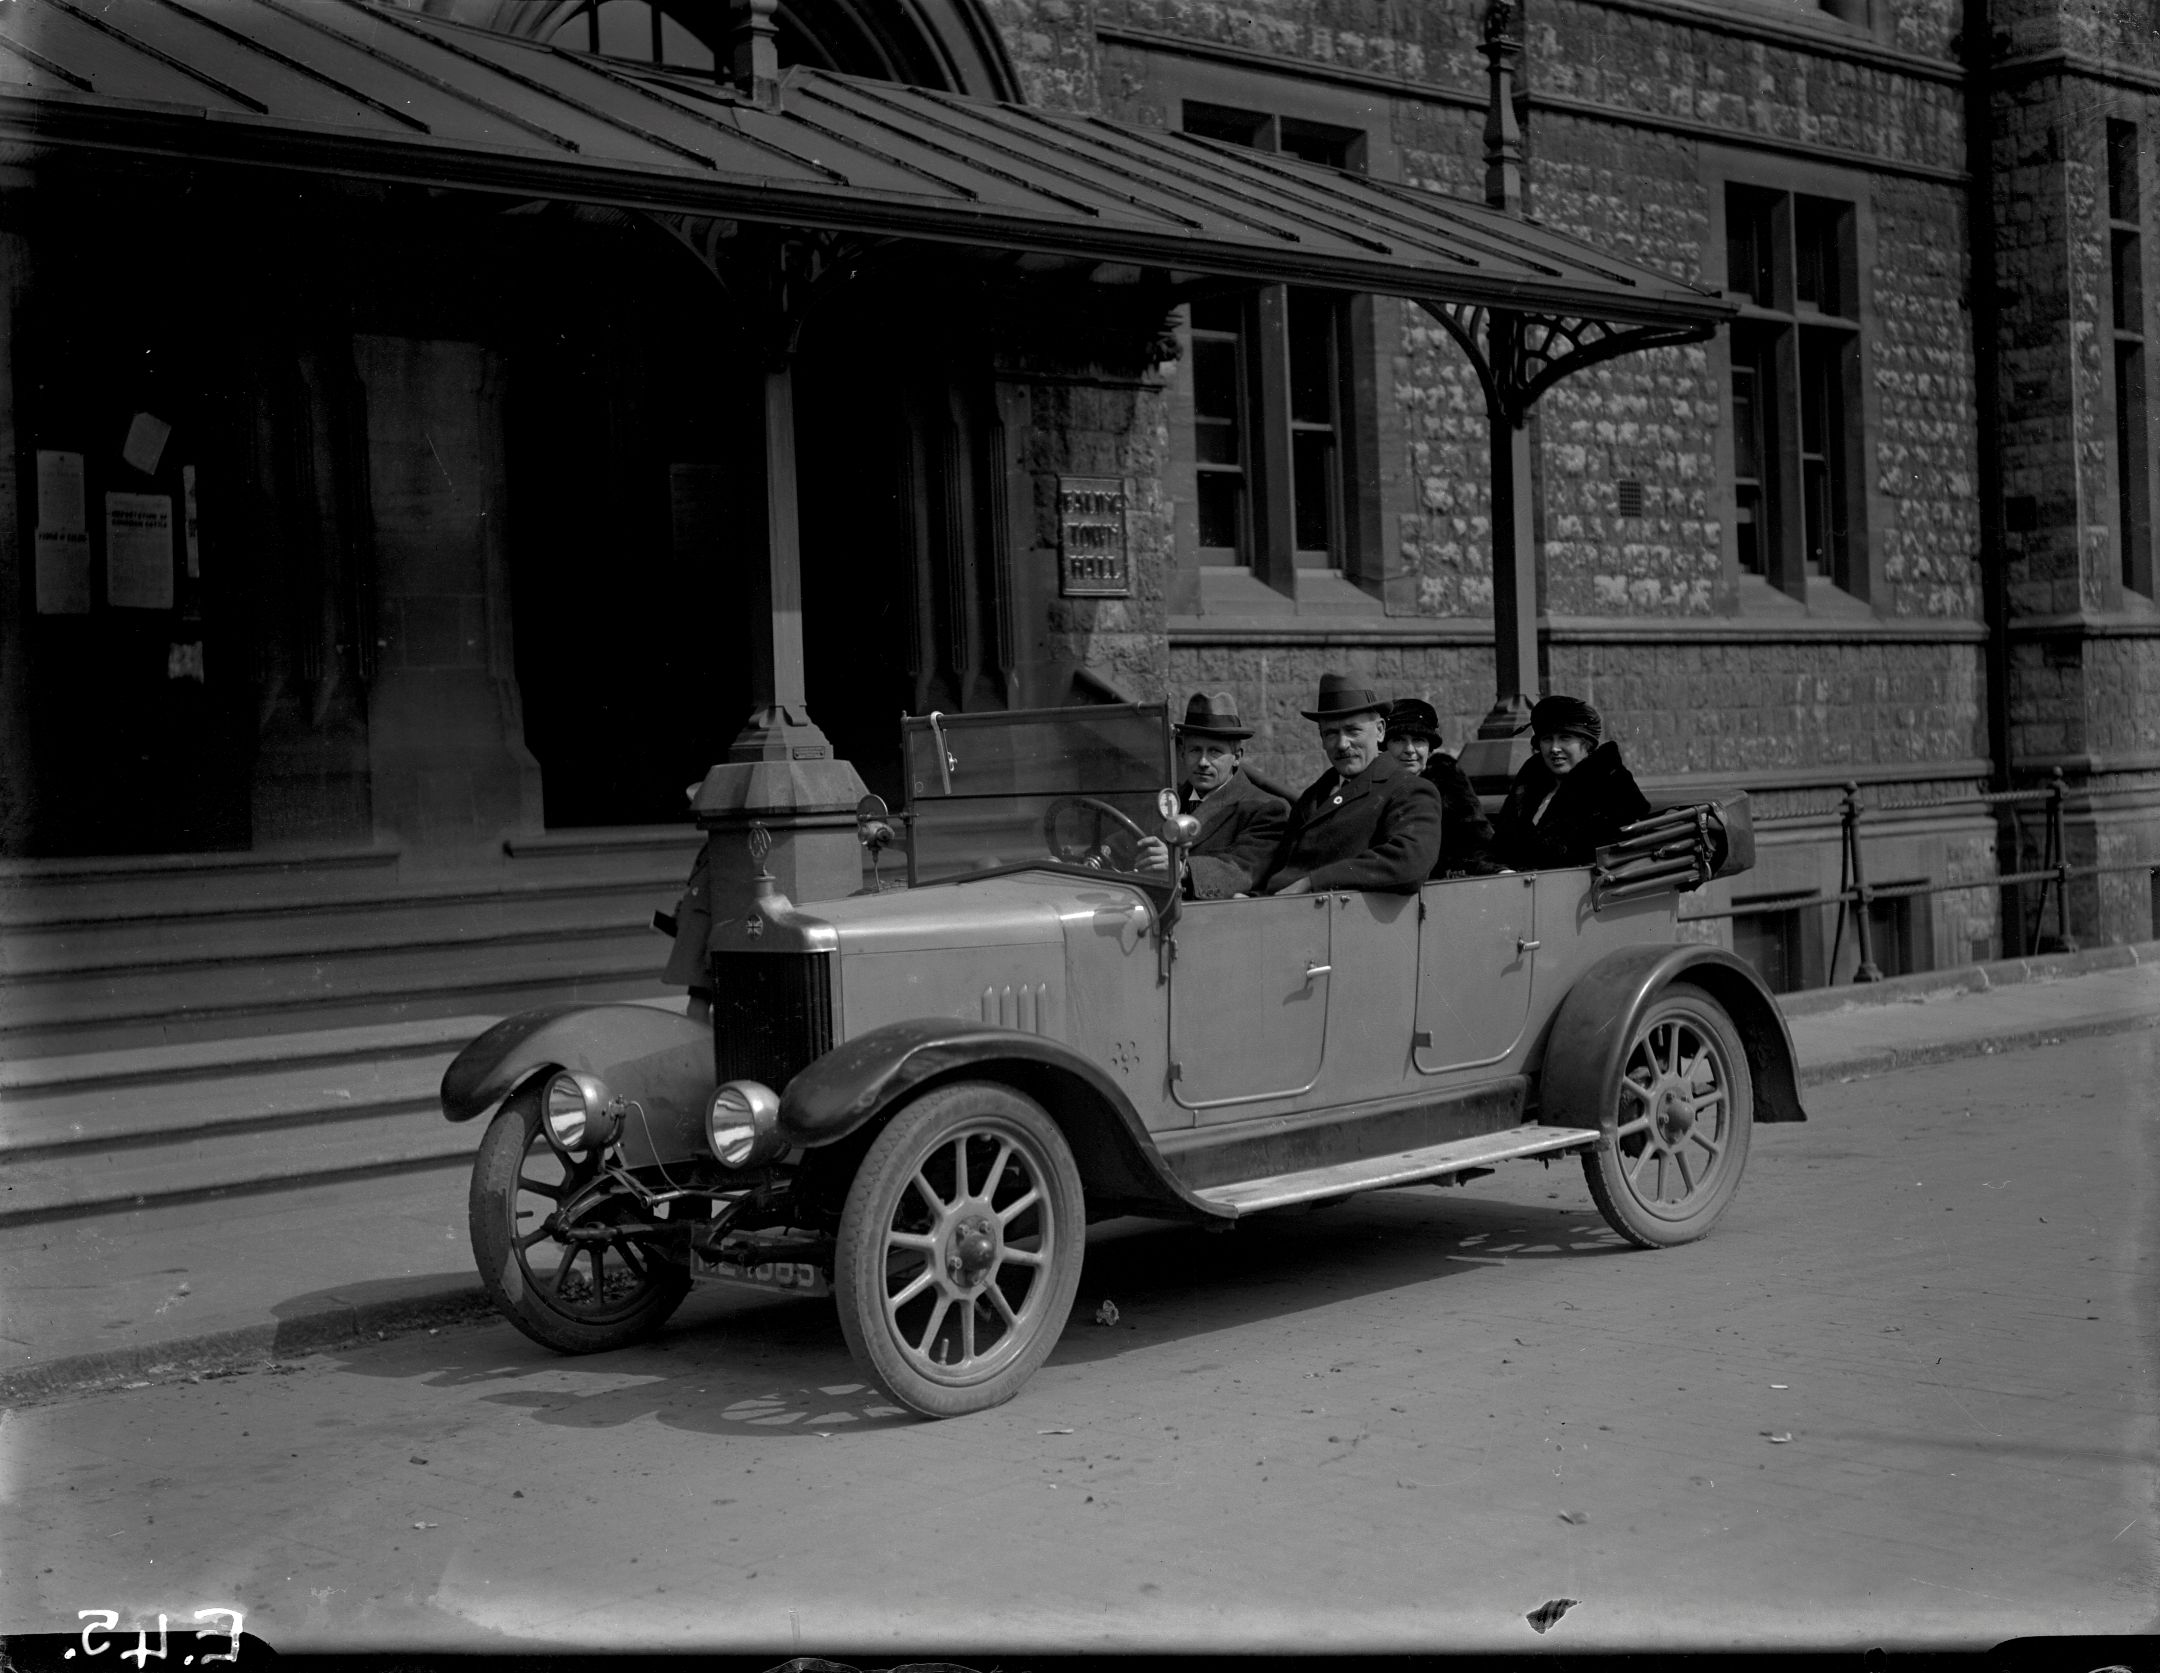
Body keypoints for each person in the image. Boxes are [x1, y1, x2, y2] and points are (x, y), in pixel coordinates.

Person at [1256, 673, 1442, 895]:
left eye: (1353, 731)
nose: (1342, 744)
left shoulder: (1408, 790)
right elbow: (1283, 870)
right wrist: (1253, 898)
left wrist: (1314, 882)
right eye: (1332, 733)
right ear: (1322, 739)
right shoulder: (1313, 797)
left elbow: (1409, 863)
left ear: (1380, 730)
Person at [1135, 692, 1289, 898]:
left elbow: (1242, 871)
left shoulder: (1265, 809)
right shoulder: (1168, 801)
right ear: (1182, 754)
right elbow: (1128, 841)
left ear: (1236, 758)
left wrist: (1181, 868)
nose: (1203, 762)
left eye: (1215, 752)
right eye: (1195, 750)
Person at [1489, 694, 1651, 871]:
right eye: (1547, 739)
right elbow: (1500, 847)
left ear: (1586, 744)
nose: (1554, 749)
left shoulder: (1611, 788)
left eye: (1565, 738)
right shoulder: (1530, 787)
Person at [1383, 697, 1496, 877]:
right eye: (1398, 740)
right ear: (1385, 746)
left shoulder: (1446, 780)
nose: (1409, 749)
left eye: (1418, 740)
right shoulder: (1377, 788)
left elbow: (1477, 840)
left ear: (1429, 748)